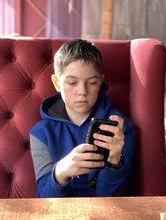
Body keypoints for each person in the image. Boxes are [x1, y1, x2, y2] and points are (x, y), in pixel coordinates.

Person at [30, 39, 135, 197]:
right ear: (57, 83)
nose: (82, 91)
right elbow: (44, 199)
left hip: (106, 213)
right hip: (59, 215)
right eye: (72, 82)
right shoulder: (41, 133)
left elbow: (114, 199)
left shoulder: (119, 127)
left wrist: (114, 161)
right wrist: (60, 172)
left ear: (100, 81)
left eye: (92, 82)